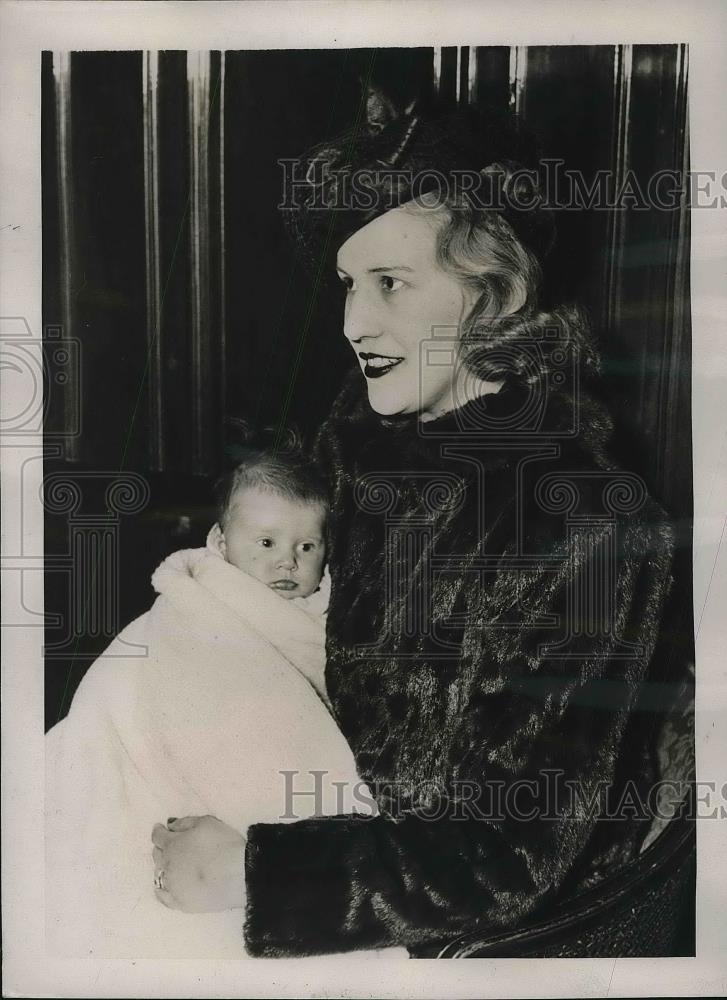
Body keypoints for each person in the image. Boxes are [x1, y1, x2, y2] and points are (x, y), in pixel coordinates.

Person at [151, 93, 677, 958]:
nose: (355, 325)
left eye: (391, 283)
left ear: (495, 293)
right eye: (350, 286)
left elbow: (509, 855)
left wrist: (255, 871)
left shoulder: (584, 524)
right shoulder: (356, 438)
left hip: (476, 940)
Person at [45, 432, 380, 958]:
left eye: (306, 546)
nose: (287, 563)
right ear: (221, 545)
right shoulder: (203, 607)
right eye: (266, 543)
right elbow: (216, 691)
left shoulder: (324, 613)